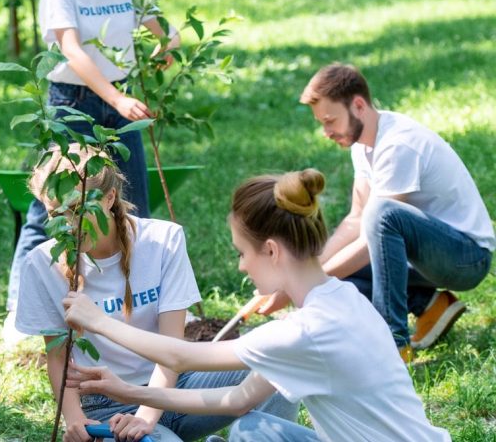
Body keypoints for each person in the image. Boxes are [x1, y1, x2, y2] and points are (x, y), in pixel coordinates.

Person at [63, 169, 451, 442]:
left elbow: (179, 356)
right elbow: (238, 399)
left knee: (251, 433)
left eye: (242, 253)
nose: (241, 265)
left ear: (271, 250)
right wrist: (131, 394)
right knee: (251, 427)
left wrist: (99, 321)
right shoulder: (343, 298)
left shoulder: (303, 333)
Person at [15, 145, 295, 442]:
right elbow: (57, 355)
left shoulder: (163, 241)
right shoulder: (40, 264)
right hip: (106, 404)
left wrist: (146, 416)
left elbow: (171, 348)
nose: (66, 227)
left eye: (75, 211)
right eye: (54, 214)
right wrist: (75, 419)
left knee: (276, 363)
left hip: (176, 385)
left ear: (109, 198)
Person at [3, 0, 182, 344]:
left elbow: (164, 29)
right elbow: (71, 50)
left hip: (118, 98)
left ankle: (138, 309)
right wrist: (116, 100)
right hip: (75, 101)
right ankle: (19, 311)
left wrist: (165, 50)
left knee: (134, 199)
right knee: (51, 207)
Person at [264, 63, 494, 360]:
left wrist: (309, 283)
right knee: (342, 276)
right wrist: (307, 270)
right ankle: (429, 304)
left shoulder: (399, 144)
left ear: (358, 105)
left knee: (383, 215)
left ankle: (395, 344)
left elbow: (379, 227)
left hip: (466, 258)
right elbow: (356, 218)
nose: (326, 132)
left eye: (331, 121)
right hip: (426, 256)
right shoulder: (362, 144)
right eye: (322, 123)